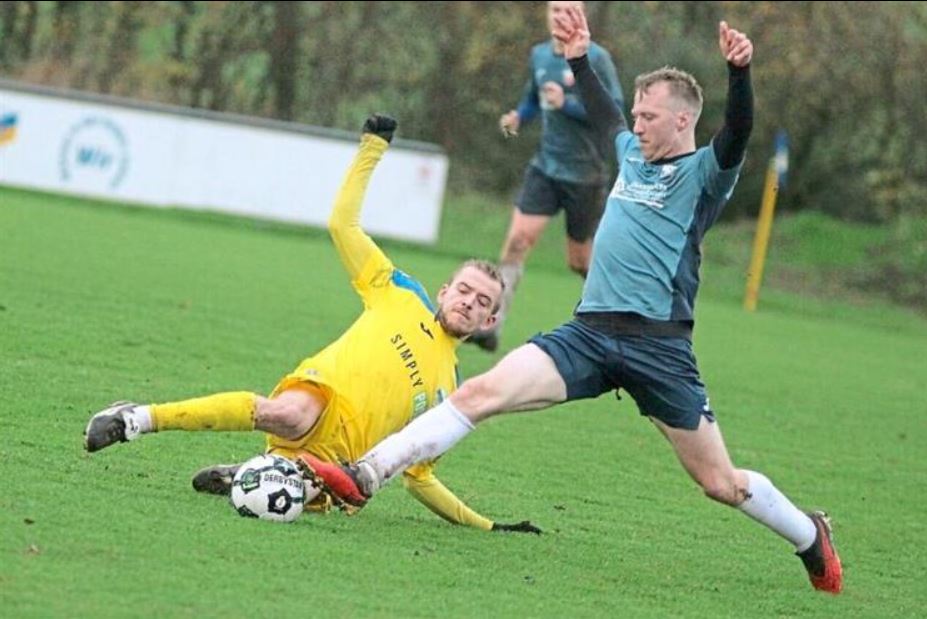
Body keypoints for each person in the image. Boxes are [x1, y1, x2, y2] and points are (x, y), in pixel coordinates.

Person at [312, 9, 844, 594]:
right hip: (587, 335)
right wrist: (579, 57)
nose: (636, 124)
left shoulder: (704, 174)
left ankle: (809, 534)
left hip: (659, 349)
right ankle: (366, 474)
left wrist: (739, 72)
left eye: (649, 116)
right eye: (636, 114)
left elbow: (738, 130)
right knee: (480, 393)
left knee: (720, 483)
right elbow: (604, 112)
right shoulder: (631, 153)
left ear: (683, 120)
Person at [82, 115, 540, 535]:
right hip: (322, 397)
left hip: (332, 463)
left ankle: (252, 473)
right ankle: (137, 418)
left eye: (482, 302)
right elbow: (343, 224)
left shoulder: (452, 391)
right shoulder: (400, 292)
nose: (468, 302)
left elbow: (420, 477)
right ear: (444, 290)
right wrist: (373, 147)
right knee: (289, 415)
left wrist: (487, 526)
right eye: (464, 290)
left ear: (490, 320)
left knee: (309, 494)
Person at [468, 0, 624, 352]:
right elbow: (532, 98)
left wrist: (566, 104)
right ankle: (490, 326)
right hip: (545, 167)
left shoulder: (597, 59)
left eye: (568, 10)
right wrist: (519, 117)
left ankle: (617, 316)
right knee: (517, 241)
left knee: (579, 261)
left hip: (584, 174)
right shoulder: (539, 55)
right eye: (555, 10)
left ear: (581, 14)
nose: (560, 16)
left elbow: (613, 111)